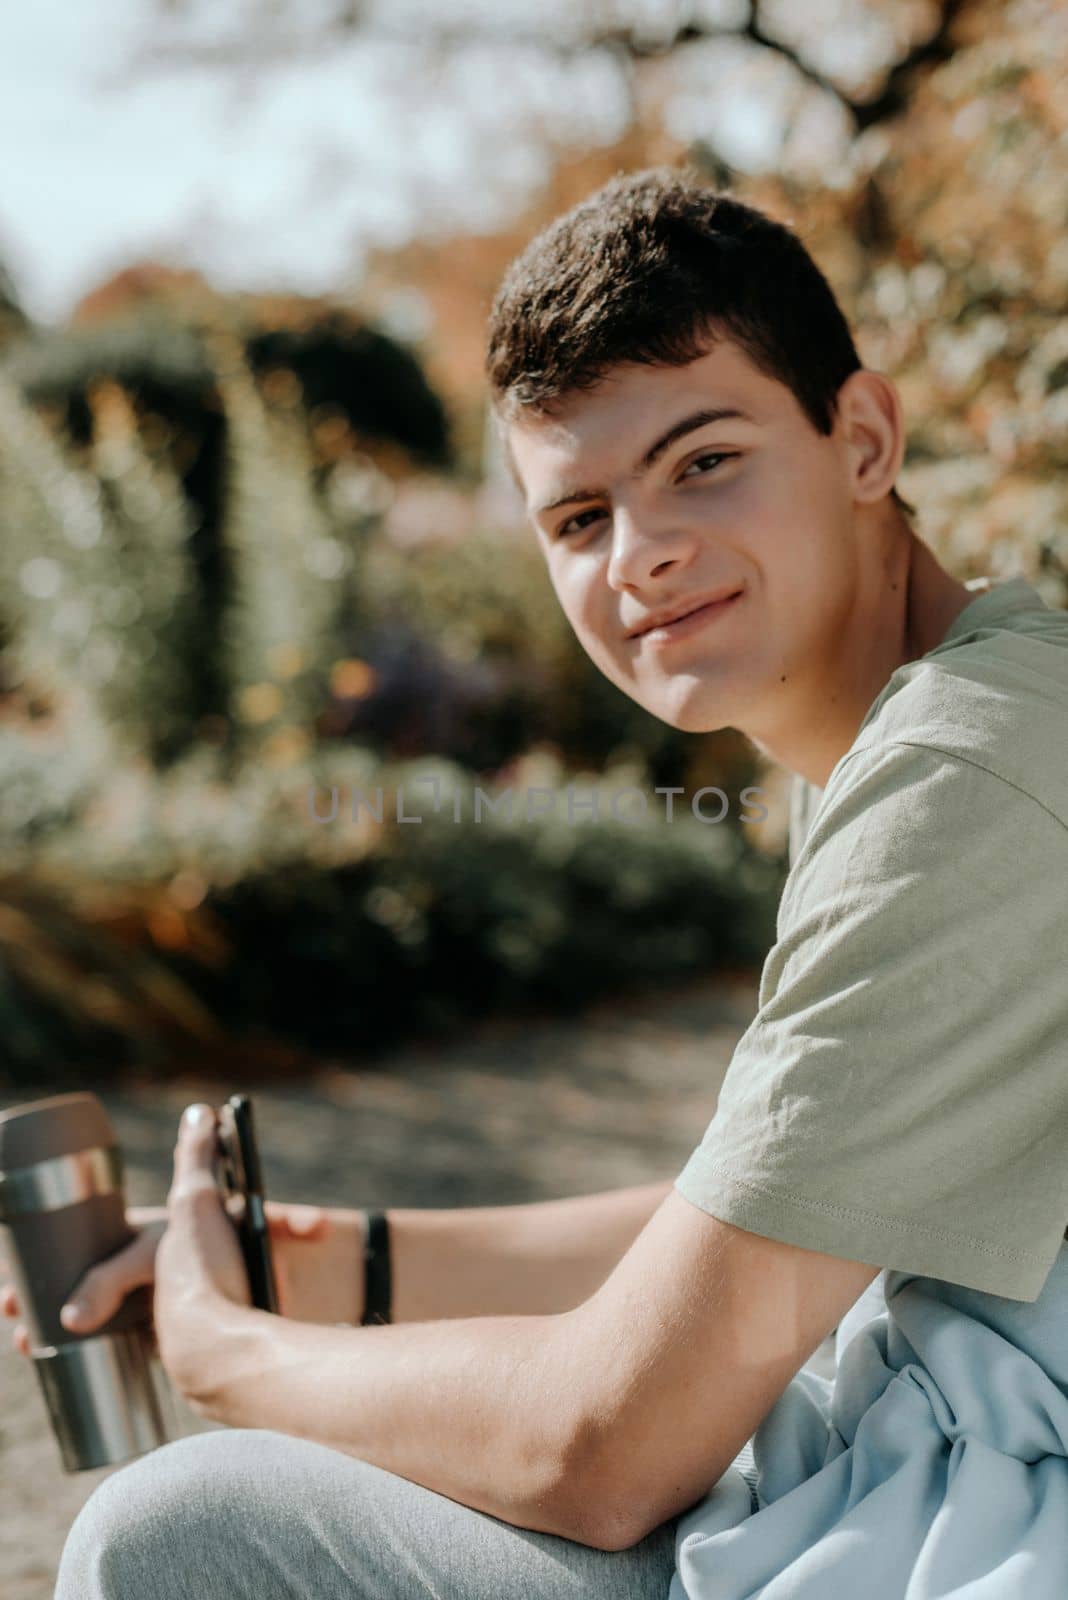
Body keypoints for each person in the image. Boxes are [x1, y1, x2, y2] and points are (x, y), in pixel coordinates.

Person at [5, 165, 1068, 1599]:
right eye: (579, 519)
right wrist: (330, 1265)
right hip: (897, 1482)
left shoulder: (966, 771)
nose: (643, 555)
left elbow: (606, 1446)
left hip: (952, 1536)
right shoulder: (947, 715)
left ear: (863, 436)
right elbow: (762, 1220)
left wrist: (233, 1355)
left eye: (703, 461)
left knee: (179, 1529)